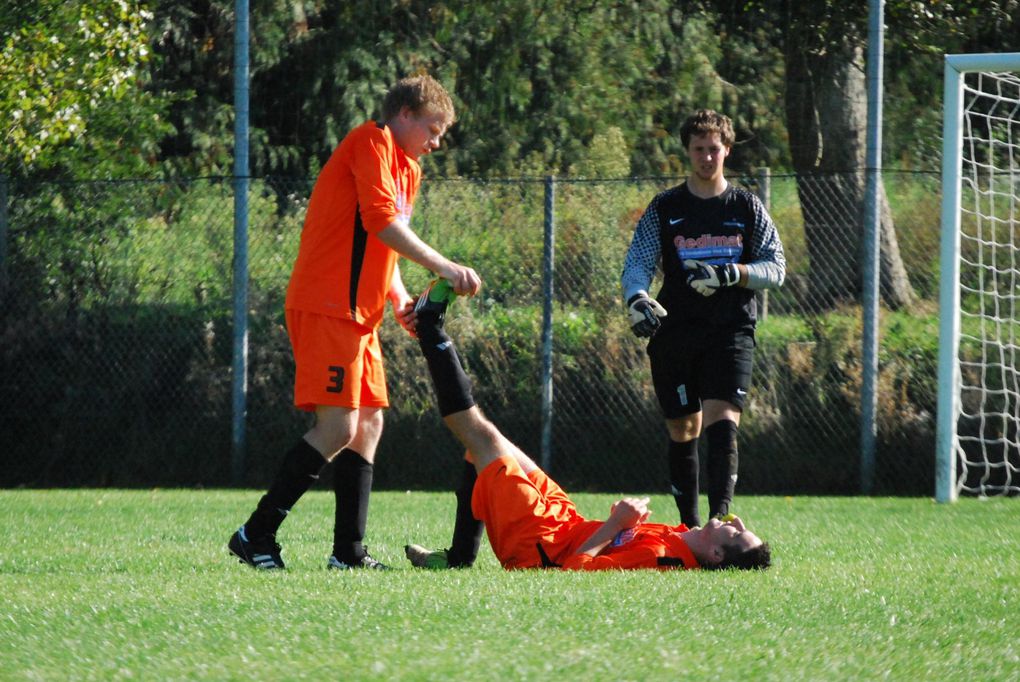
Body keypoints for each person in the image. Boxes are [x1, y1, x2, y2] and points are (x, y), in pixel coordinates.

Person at [227, 75, 482, 571]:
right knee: (339, 425)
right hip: (327, 305)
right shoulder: (371, 141)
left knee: (368, 423)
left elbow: (385, 240)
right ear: (404, 113)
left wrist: (402, 297)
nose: (435, 143)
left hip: (359, 315)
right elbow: (381, 221)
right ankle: (254, 535)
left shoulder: (407, 167)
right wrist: (444, 267)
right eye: (432, 130)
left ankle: (348, 552)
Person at [405, 280, 771, 571]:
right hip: (564, 522)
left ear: (718, 555)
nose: (735, 522)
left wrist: (617, 522)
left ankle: (429, 325)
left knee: (480, 433)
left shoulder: (662, 558)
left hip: (541, 547)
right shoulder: (682, 539)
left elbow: (576, 569)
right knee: (486, 448)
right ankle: (456, 559)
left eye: (737, 533)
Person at [620, 109, 786, 528]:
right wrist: (636, 298)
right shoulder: (666, 207)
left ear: (727, 150)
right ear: (688, 152)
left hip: (731, 329)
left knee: (724, 420)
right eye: (699, 149)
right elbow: (637, 263)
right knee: (682, 427)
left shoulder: (747, 206)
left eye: (714, 149)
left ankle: (719, 521)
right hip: (675, 331)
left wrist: (735, 273)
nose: (707, 157)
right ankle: (689, 527)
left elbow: (776, 267)